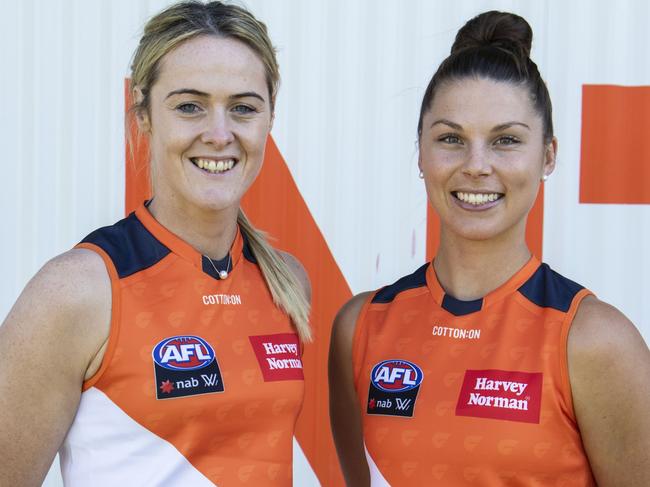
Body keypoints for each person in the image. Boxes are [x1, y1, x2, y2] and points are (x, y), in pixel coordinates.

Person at [329, 10, 650, 487]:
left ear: (548, 156)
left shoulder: (596, 343)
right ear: (420, 152)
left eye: (506, 140)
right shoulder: (360, 328)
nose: (477, 166)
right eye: (451, 138)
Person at [0, 1, 312, 485]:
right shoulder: (79, 291)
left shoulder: (286, 281)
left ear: (271, 115)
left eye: (243, 108)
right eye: (190, 105)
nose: (219, 133)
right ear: (144, 112)